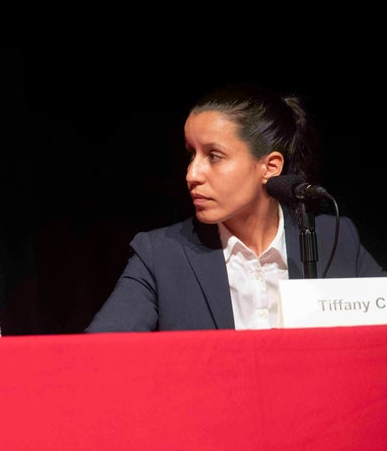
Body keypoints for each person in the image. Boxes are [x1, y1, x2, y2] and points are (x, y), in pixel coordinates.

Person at [86, 83, 387, 333]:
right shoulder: (160, 254)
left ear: (269, 167)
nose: (192, 174)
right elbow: (98, 355)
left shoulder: (333, 237)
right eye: (192, 154)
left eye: (214, 156)